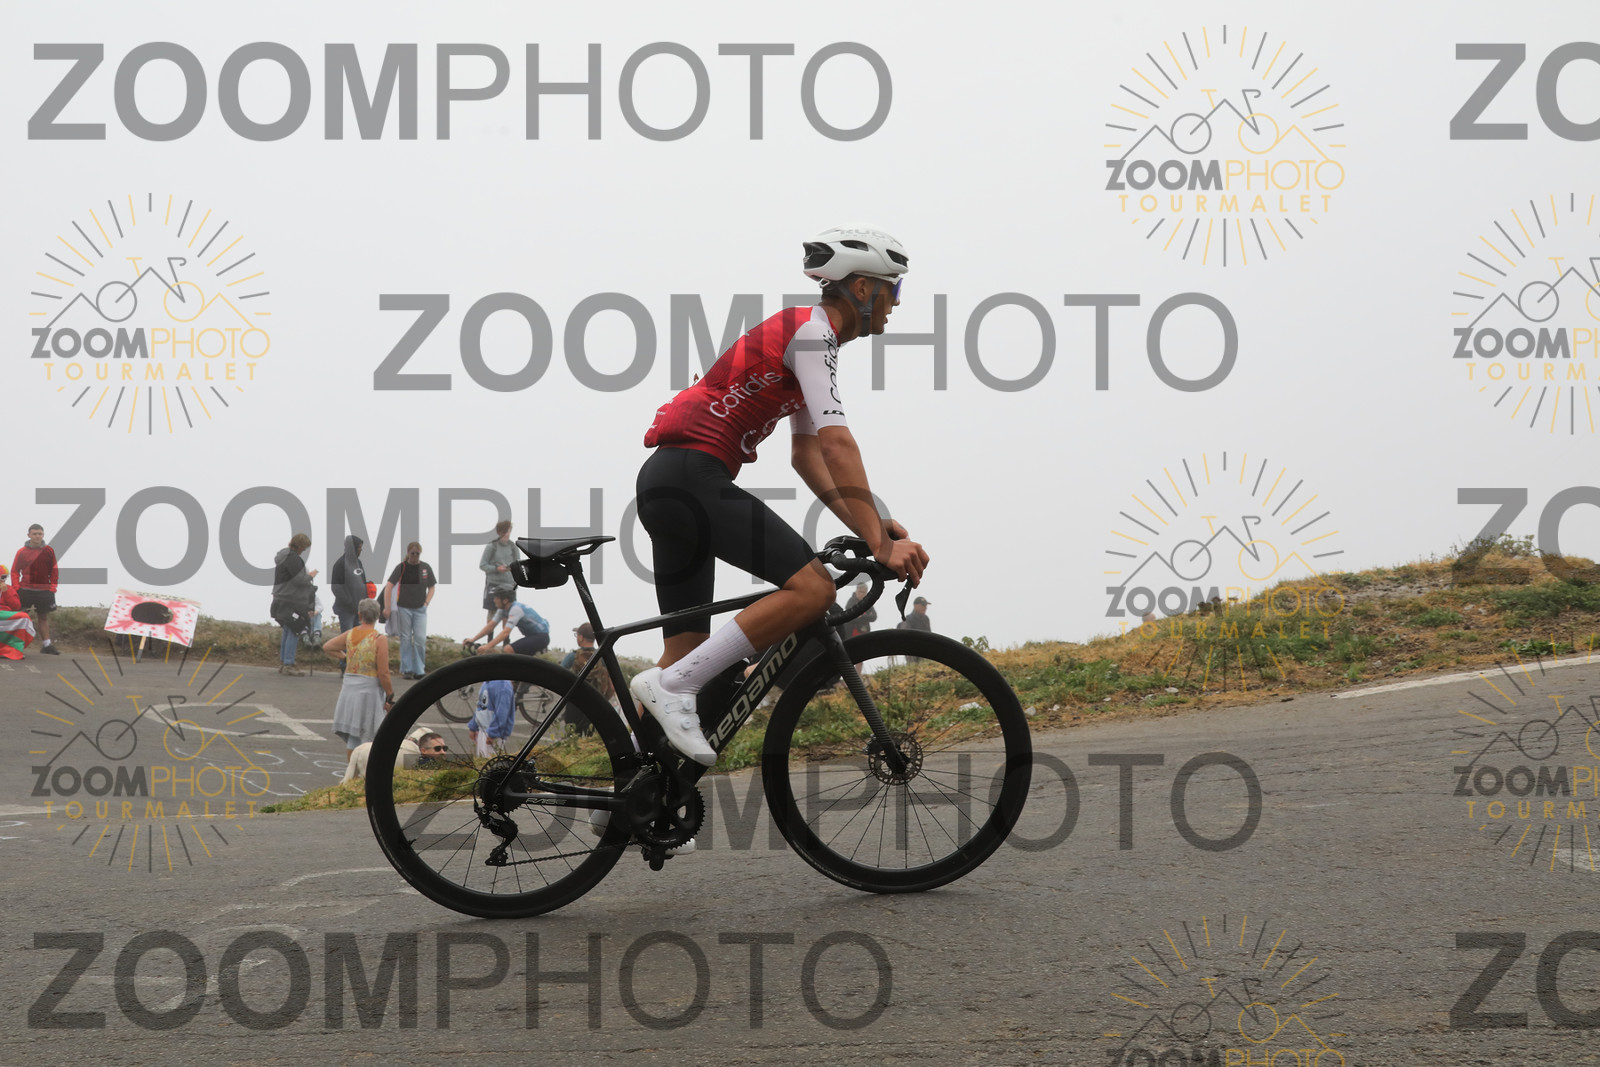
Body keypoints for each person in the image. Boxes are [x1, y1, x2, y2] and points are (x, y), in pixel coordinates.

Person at [630, 225, 927, 766]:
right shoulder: (813, 336)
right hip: (692, 478)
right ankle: (672, 689)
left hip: (667, 483)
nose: (897, 303)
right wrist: (881, 546)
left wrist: (872, 527)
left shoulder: (805, 336)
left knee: (684, 652)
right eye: (895, 288)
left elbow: (808, 457)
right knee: (813, 590)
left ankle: (636, 784)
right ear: (863, 288)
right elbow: (837, 445)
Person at [324, 598, 393, 757]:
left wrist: (346, 657)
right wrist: (390, 694)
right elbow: (383, 672)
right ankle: (367, 767)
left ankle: (352, 768)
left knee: (354, 736)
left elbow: (328, 646)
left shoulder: (351, 634)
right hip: (369, 691)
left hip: (349, 688)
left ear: (360, 615)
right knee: (369, 734)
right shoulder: (379, 639)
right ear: (377, 616)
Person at [383, 542, 437, 679]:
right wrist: (387, 607)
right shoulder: (402, 567)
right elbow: (389, 586)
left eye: (417, 553)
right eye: (412, 553)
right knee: (406, 638)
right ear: (408, 553)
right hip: (404, 608)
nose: (414, 556)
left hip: (420, 609)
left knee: (420, 639)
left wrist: (426, 602)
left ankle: (419, 669)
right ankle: (407, 669)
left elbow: (432, 587)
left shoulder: (425, 568)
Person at [270, 533, 318, 675]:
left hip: (281, 596)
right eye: (304, 547)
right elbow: (299, 580)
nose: (304, 550)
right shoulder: (294, 559)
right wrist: (310, 576)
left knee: (288, 629)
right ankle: (288, 663)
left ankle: (284, 661)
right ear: (300, 546)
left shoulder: (283, 556)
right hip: (291, 599)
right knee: (295, 629)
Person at [12, 523, 60, 655]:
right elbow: (15, 570)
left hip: (44, 591)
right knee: (21, 617)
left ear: (43, 535)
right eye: (34, 534)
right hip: (25, 590)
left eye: (39, 534)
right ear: (29, 535)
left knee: (43, 617)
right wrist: (16, 587)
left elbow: (54, 570)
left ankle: (47, 645)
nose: (37, 536)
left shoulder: (49, 551)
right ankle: (15, 645)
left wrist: (53, 587)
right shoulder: (22, 552)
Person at [342, 728, 445, 785]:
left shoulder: (407, 746)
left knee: (352, 780)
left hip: (364, 748)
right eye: (436, 748)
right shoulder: (415, 755)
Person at [465, 590, 550, 655]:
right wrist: (473, 639)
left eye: (496, 598)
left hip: (541, 637)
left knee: (508, 649)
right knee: (510, 653)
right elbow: (490, 626)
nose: (494, 600)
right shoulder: (502, 609)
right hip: (532, 637)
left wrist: (488, 646)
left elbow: (505, 632)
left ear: (505, 600)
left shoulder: (516, 609)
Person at [480, 520, 517, 624]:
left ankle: (505, 634)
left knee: (508, 613)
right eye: (504, 532)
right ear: (499, 532)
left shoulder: (513, 547)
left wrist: (511, 569)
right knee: (492, 612)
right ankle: (489, 634)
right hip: (494, 584)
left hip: (509, 584)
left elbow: (518, 565)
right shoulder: (492, 546)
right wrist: (496, 569)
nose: (506, 534)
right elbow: (483, 565)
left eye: (508, 531)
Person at [328, 535, 367, 634]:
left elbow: (362, 581)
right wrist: (350, 604)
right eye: (359, 547)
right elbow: (336, 588)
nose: (361, 550)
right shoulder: (340, 564)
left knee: (358, 638)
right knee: (347, 638)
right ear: (353, 548)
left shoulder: (359, 563)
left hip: (360, 610)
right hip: (346, 610)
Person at [0, 563, 36, 660]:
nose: (2, 580)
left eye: (4, 577)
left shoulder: (9, 589)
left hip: (6, 614)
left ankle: (13, 649)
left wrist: (6, 592)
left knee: (24, 617)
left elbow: (16, 606)